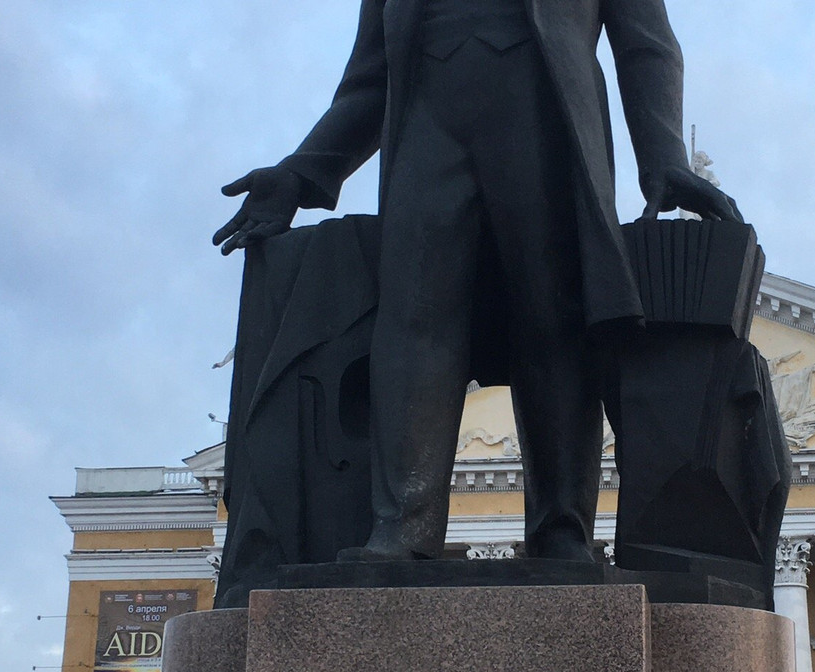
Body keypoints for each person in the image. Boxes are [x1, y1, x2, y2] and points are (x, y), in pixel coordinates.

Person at [214, 0, 742, 563]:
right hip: (428, 125)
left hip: (545, 115)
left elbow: (646, 44)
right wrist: (301, 172)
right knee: (412, 319)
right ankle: (404, 527)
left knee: (555, 320)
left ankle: (561, 530)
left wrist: (665, 157)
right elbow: (369, 81)